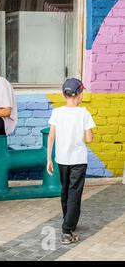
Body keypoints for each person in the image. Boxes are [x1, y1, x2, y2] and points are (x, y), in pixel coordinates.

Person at [46, 78, 96, 244]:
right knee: (75, 194)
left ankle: (69, 221)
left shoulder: (57, 112)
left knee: (65, 191)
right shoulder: (84, 113)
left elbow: (51, 137)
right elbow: (89, 139)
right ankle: (67, 231)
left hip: (61, 159)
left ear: (63, 94)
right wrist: (90, 133)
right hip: (78, 160)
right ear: (80, 94)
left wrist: (49, 159)